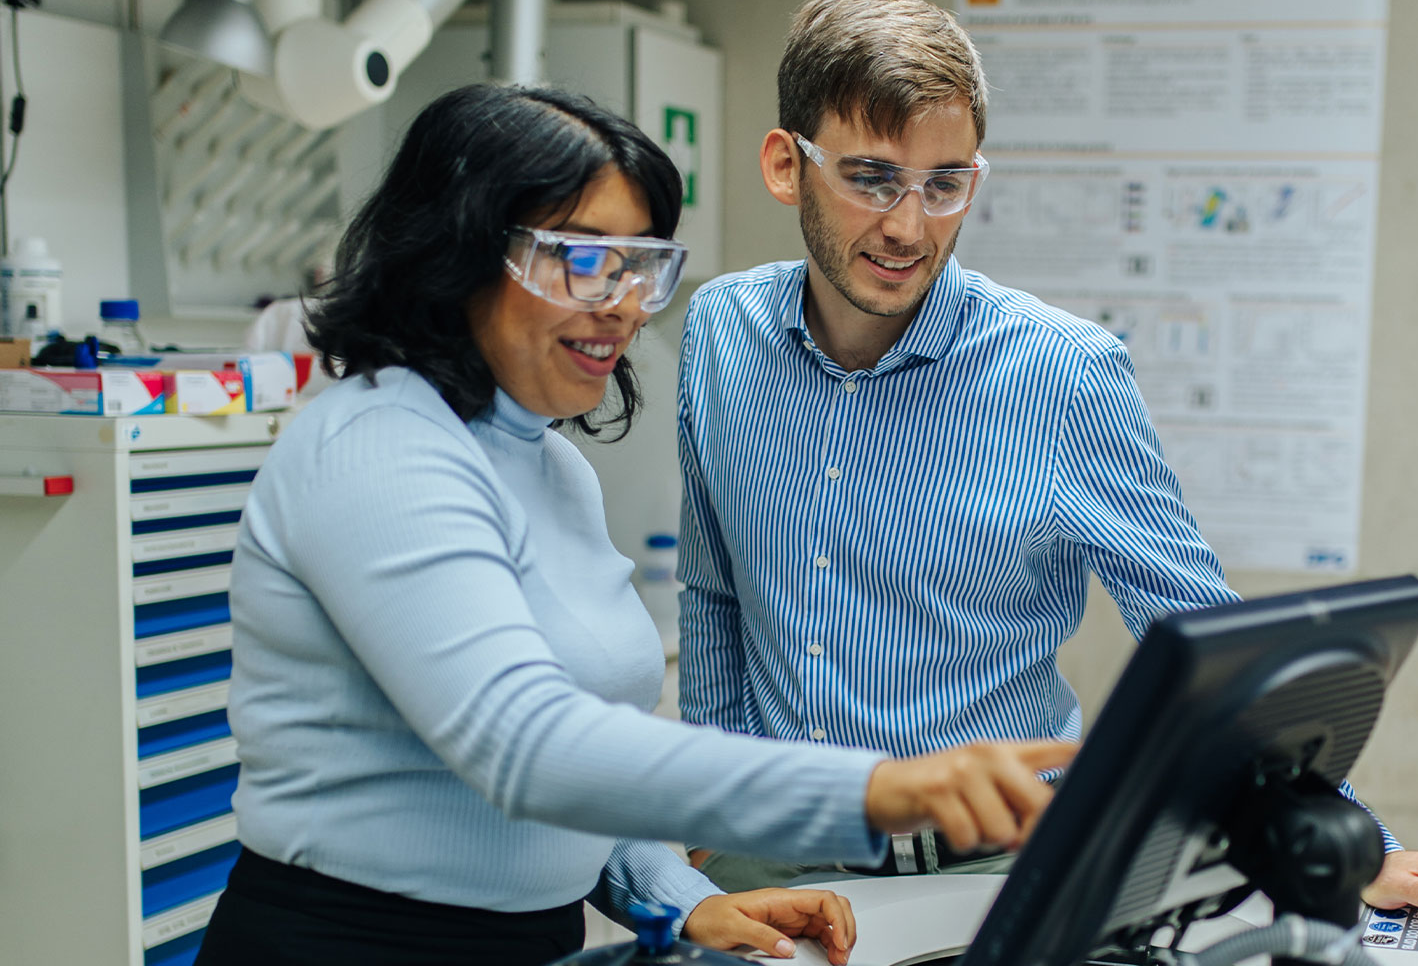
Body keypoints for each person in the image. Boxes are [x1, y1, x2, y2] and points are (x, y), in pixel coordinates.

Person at [674, 0, 1418, 939]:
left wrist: (1349, 836)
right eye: (872, 178)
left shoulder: (1063, 375)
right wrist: (710, 800)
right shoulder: (720, 331)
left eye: (946, 185)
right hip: (773, 853)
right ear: (787, 165)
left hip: (1001, 865)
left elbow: (1204, 637)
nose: (910, 227)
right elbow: (715, 590)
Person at [193, 83, 1076, 966]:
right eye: (582, 259)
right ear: (457, 254)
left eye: (638, 265)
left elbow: (573, 770)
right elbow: (528, 746)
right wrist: (880, 786)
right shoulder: (376, 447)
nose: (622, 302)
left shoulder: (552, 468)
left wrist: (684, 899)